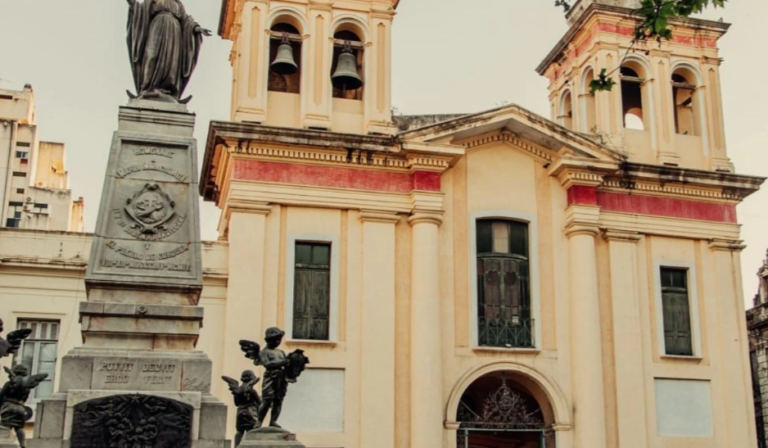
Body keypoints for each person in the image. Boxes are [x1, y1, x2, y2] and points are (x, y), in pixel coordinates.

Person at [0, 364, 48, 448]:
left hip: (8, 406)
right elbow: (25, 399)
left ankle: (3, 442)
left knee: (5, 425)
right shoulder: (27, 386)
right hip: (21, 408)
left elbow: (1, 395)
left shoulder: (9, 383)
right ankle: (22, 444)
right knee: (18, 427)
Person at [256, 328, 290, 428]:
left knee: (278, 400)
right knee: (267, 400)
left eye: (279, 340)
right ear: (268, 340)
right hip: (270, 378)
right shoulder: (264, 352)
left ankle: (273, 421)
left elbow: (285, 365)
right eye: (275, 340)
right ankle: (259, 421)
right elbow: (267, 364)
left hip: (281, 378)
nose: (278, 342)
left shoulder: (281, 352)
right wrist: (282, 362)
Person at [223, 370, 261, 446]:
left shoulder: (237, 390)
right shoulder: (252, 391)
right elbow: (260, 403)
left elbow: (236, 403)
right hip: (251, 412)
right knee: (252, 431)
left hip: (240, 412)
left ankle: (236, 446)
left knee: (239, 431)